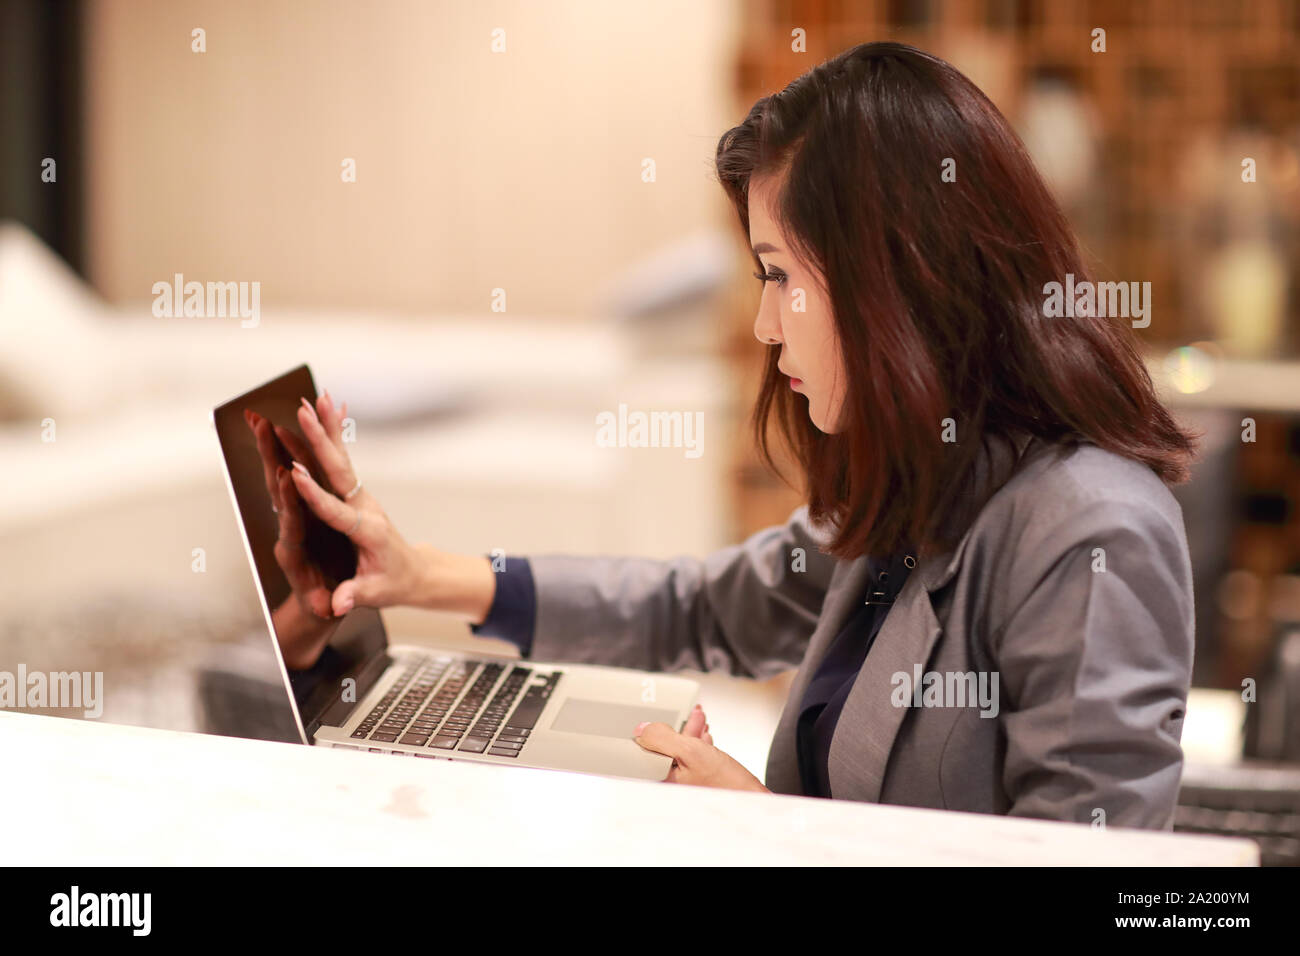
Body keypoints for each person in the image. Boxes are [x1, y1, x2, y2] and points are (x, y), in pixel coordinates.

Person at [273, 42, 1199, 829]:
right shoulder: (933, 477)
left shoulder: (1089, 536)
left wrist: (763, 830)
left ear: (901, 278)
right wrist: (421, 574)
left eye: (779, 275)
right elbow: (704, 608)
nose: (764, 327)